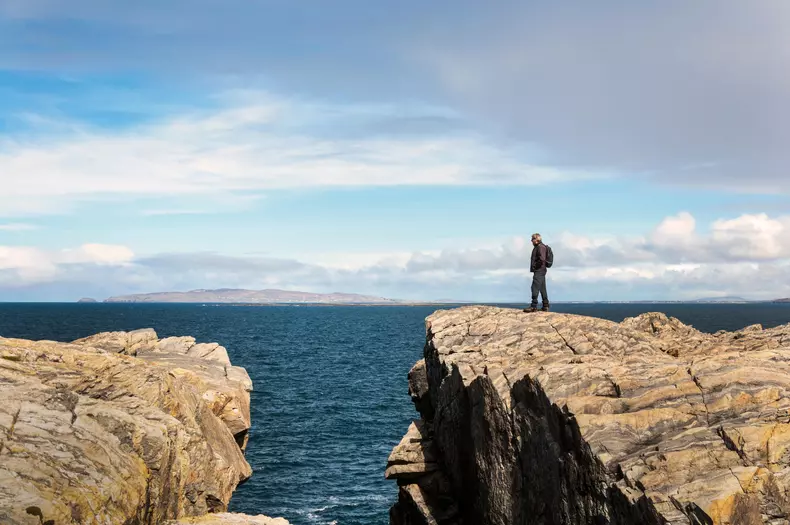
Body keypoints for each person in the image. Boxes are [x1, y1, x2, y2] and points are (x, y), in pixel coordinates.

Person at [524, 233, 549, 313]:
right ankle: (545, 306)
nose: (531, 241)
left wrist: (535, 266)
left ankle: (533, 306)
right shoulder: (541, 247)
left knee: (534, 287)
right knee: (542, 288)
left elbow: (542, 259)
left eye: (532, 239)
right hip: (541, 270)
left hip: (539, 270)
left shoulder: (540, 247)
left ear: (536, 240)